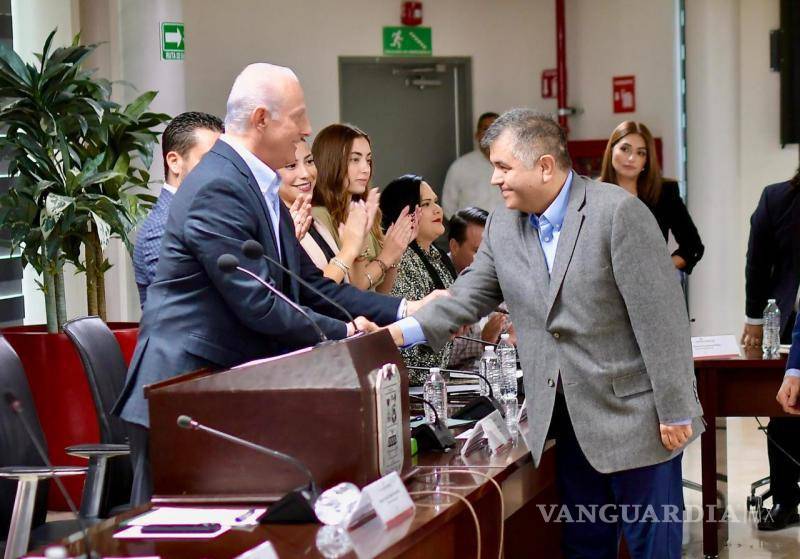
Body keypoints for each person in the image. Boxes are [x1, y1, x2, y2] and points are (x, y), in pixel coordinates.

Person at [113, 63, 434, 505]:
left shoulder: (254, 182)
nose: (305, 130)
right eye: (298, 119)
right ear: (262, 119)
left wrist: (404, 310)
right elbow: (259, 302)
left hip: (222, 393)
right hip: (184, 395)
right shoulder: (220, 185)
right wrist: (346, 333)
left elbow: (306, 286)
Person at [389, 109, 703, 559]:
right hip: (568, 422)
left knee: (652, 549)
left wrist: (675, 409)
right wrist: (395, 334)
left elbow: (663, 318)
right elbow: (465, 299)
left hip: (640, 420)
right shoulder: (502, 225)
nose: (494, 179)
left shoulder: (618, 214)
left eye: (503, 167)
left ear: (545, 167)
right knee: (584, 546)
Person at [744, 171, 800, 530]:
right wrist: (753, 318)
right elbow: (757, 262)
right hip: (785, 321)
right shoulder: (778, 199)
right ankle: (785, 498)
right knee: (784, 413)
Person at [311, 123, 416, 293]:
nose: (365, 169)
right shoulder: (319, 216)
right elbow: (354, 289)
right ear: (331, 162)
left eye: (368, 160)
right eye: (355, 159)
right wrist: (385, 257)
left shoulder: (364, 211)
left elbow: (381, 292)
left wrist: (395, 253)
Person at [133, 111, 223, 306]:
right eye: (209, 160)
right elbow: (186, 309)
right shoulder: (162, 227)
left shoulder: (209, 215)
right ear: (174, 162)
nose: (221, 171)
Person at [599, 121, 704, 274]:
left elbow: (692, 247)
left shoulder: (665, 193)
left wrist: (659, 269)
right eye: (625, 149)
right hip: (605, 292)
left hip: (651, 290)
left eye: (640, 153)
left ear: (646, 161)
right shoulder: (592, 194)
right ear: (611, 151)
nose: (631, 158)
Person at [380, 175, 456, 384]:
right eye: (426, 204)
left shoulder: (435, 255)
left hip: (436, 378)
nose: (438, 210)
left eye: (436, 202)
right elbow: (410, 348)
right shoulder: (401, 260)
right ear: (404, 213)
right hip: (415, 383)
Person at [277, 140, 369, 283]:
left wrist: (359, 244)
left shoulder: (315, 221)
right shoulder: (276, 227)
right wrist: (349, 250)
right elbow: (315, 292)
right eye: (291, 166)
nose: (306, 173)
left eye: (309, 162)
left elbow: (350, 291)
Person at [446, 207, 508, 370]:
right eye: (478, 251)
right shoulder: (437, 281)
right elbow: (434, 353)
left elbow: (509, 331)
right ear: (454, 246)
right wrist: (483, 340)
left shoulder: (498, 272)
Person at [441, 112, 502, 218]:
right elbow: (448, 207)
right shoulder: (460, 167)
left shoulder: (515, 166)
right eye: (485, 129)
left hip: (505, 232)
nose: (490, 134)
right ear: (477, 135)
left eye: (495, 129)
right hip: (471, 233)